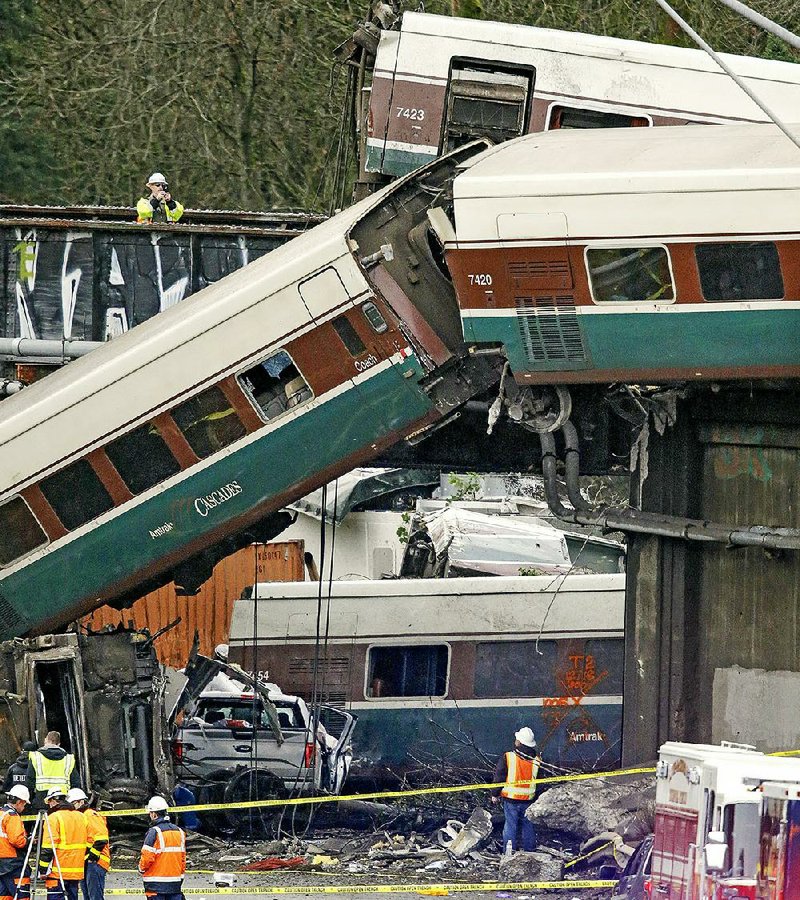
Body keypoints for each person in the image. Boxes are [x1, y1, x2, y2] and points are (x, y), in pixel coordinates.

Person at [490, 727, 542, 853]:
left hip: (511, 800)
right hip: (529, 800)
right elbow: (540, 783)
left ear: (519, 742)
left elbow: (499, 776)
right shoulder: (537, 760)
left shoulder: (508, 757)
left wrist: (495, 794)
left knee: (510, 826)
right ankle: (530, 851)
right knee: (528, 826)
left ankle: (509, 853)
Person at [38, 787, 87, 900]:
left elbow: (48, 847)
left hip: (57, 872)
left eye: (49, 801)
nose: (49, 805)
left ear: (54, 800)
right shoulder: (81, 817)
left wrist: (43, 870)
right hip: (75, 872)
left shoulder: (53, 818)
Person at [138, 796, 185, 900]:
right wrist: (179, 879)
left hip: (155, 885)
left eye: (150, 813)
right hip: (175, 885)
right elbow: (182, 859)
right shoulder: (180, 832)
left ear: (154, 814)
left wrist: (141, 869)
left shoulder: (154, 832)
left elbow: (147, 857)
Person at [66, 789, 108, 900]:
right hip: (88, 863)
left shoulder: (90, 815)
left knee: (94, 897)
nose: (71, 807)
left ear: (80, 802)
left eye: (73, 803)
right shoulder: (82, 816)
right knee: (88, 896)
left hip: (95, 862)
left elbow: (101, 839)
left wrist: (92, 858)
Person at [26, 733, 80, 809]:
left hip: (42, 800)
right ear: (59, 744)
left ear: (46, 740)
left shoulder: (36, 757)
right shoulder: (69, 759)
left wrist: (31, 801)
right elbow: (75, 783)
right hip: (63, 800)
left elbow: (29, 781)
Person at [0, 786, 29, 900]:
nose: (24, 807)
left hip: (2, 863)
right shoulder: (12, 816)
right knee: (21, 895)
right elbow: (17, 841)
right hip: (13, 863)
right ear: (20, 802)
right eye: (24, 804)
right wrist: (29, 841)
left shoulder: (2, 813)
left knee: (4, 896)